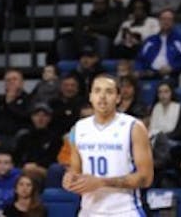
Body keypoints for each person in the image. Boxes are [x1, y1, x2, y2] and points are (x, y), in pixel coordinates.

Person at [64, 73, 154, 216]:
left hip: (124, 210)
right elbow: (75, 170)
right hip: (89, 211)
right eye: (97, 91)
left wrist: (102, 182)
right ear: (90, 96)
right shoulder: (78, 128)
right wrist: (70, 179)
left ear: (118, 98)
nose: (102, 96)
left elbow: (146, 178)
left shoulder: (134, 127)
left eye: (109, 91)